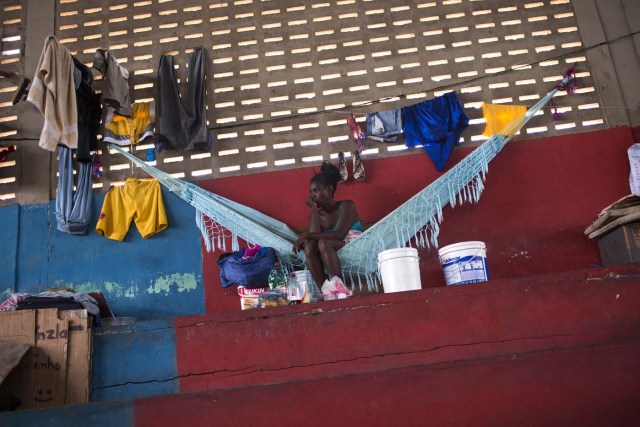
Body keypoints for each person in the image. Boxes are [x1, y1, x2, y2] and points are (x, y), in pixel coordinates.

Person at [293, 161, 362, 299]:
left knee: (324, 242)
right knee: (309, 246)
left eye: (316, 190)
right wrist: (314, 211)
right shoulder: (315, 216)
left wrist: (306, 234)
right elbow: (312, 243)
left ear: (329, 190)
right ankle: (325, 291)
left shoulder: (347, 206)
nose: (312, 195)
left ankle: (339, 287)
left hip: (353, 248)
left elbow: (340, 234)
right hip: (329, 252)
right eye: (311, 192)